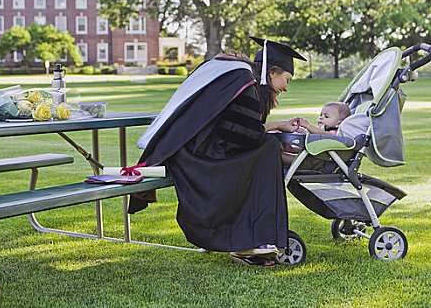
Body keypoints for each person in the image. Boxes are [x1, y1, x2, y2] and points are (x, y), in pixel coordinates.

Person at [131, 37, 306, 266]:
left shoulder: (240, 76)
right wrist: (277, 129)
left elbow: (238, 132)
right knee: (268, 149)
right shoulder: (245, 82)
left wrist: (275, 129)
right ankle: (250, 240)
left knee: (267, 147)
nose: (286, 87)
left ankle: (249, 239)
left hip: (191, 151)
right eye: (287, 79)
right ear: (272, 72)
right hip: (199, 157)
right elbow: (243, 137)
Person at [282, 102, 351, 166]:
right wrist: (297, 129)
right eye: (321, 115)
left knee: (284, 157)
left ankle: (282, 156)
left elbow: (325, 134)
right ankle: (288, 149)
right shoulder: (323, 129)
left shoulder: (335, 132)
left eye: (326, 116)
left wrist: (308, 125)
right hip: (315, 152)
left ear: (338, 123)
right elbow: (309, 133)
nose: (321, 117)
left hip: (323, 158)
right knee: (293, 149)